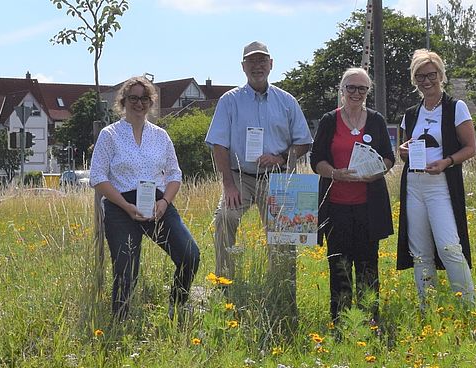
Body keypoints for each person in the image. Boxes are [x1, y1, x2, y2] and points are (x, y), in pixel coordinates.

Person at [205, 41, 312, 316]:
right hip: (240, 176)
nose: (257, 66)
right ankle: (225, 288)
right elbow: (219, 145)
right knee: (225, 217)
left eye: (262, 60)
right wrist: (228, 185)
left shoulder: (287, 101)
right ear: (243, 67)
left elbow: (304, 142)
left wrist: (281, 158)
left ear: (271, 64)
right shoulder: (229, 101)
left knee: (285, 238)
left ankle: (283, 297)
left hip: (278, 177)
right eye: (252, 61)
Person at [90, 76, 200, 322]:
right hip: (121, 205)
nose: (139, 103)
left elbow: (174, 174)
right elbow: (97, 176)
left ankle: (176, 307)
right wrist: (125, 206)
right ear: (123, 101)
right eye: (133, 98)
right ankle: (120, 323)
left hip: (157, 203)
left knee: (189, 254)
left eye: (144, 98)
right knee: (126, 269)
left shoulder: (160, 136)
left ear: (151, 102)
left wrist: (165, 202)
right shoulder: (110, 135)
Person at [310, 67, 394, 324]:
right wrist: (335, 173)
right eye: (351, 87)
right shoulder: (329, 120)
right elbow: (316, 160)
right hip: (336, 207)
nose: (356, 93)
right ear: (342, 89)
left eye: (362, 88)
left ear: (368, 91)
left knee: (368, 266)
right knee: (339, 267)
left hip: (368, 208)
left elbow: (388, 158)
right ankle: (341, 322)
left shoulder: (376, 121)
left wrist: (376, 172)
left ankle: (370, 321)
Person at [397, 49, 476, 306]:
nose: (426, 81)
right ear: (414, 80)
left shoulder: (455, 107)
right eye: (420, 76)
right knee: (420, 253)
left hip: (441, 185)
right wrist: (403, 151)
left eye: (431, 75)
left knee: (449, 246)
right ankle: (427, 307)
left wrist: (446, 162)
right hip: (414, 185)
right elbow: (404, 151)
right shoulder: (411, 113)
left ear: (441, 75)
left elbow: (471, 147)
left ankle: (468, 305)